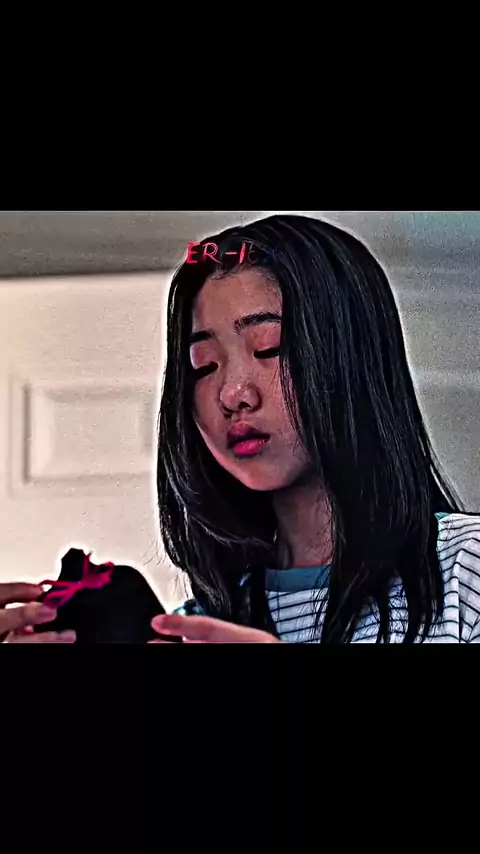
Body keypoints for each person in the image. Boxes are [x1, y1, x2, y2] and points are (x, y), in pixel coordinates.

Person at [2, 214, 479, 643]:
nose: (232, 393)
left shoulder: (468, 569)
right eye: (204, 366)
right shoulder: (198, 628)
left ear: (354, 357)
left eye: (269, 346)